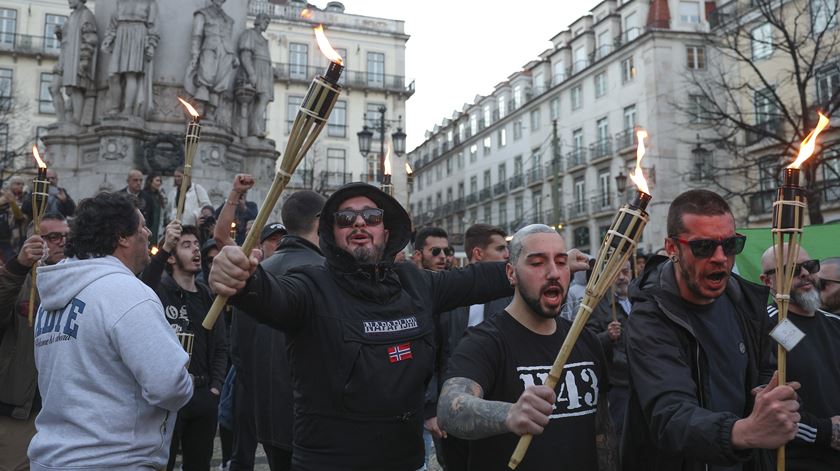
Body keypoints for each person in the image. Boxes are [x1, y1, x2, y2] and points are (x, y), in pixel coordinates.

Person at [208, 182, 514, 471]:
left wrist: (541, 265)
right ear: (331, 232)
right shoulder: (313, 285)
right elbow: (272, 295)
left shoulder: (415, 281)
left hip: (406, 461)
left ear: (386, 230)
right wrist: (243, 281)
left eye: (371, 216)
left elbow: (479, 280)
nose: (359, 223)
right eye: (345, 218)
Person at [623, 189, 800, 471]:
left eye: (730, 245)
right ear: (672, 248)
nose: (720, 258)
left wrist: (768, 399)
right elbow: (670, 416)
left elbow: (767, 365)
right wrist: (745, 431)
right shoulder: (650, 319)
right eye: (703, 247)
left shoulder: (746, 302)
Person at [28, 192, 193, 470]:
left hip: (52, 457)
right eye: (141, 225)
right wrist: (184, 377)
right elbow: (170, 386)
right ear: (122, 236)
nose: (149, 232)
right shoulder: (126, 292)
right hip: (114, 458)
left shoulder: (51, 299)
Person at [437, 224, 617, 471]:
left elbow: (601, 430)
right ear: (511, 273)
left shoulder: (585, 340)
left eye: (562, 262)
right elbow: (450, 409)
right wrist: (509, 415)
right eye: (537, 263)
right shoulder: (485, 342)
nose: (553, 272)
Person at [142, 223, 227, 471]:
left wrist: (215, 388)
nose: (196, 251)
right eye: (186, 245)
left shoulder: (207, 295)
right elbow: (144, 282)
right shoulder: (159, 291)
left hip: (202, 393)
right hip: (168, 397)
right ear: (171, 258)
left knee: (199, 463)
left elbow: (221, 345)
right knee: (162, 463)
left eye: (197, 245)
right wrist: (166, 246)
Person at [251, 190, 326, 471]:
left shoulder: (255, 276)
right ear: (321, 221)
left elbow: (241, 354)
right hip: (317, 423)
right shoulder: (327, 274)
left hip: (268, 418)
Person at [432, 223, 511, 470]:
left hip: (499, 412)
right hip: (453, 413)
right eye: (500, 249)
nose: (507, 255)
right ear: (478, 254)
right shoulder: (446, 296)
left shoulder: (512, 297)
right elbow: (435, 353)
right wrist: (431, 410)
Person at [759, 246, 840, 470]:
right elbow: (766, 408)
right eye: (792, 269)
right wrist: (824, 432)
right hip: (799, 461)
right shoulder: (763, 329)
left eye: (810, 266)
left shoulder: (835, 323)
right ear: (768, 281)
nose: (805, 273)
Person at [0, 213, 68, 470]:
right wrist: (18, 266)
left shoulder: (76, 282)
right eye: (53, 237)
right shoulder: (14, 279)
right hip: (16, 412)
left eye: (66, 237)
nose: (62, 242)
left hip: (57, 413)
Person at [585, 259, 631, 439]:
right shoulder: (598, 304)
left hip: (643, 376)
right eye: (616, 274)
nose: (621, 278)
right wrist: (607, 336)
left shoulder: (641, 299)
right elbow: (587, 342)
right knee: (620, 432)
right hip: (618, 381)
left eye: (625, 272)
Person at [101, 0, 159, 117]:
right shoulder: (120, 2)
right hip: (121, 34)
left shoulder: (149, 3)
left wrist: (151, 44)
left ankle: (128, 109)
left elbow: (153, 26)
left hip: (138, 35)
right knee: (113, 75)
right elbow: (113, 23)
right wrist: (108, 38)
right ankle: (115, 107)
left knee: (131, 74)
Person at [185, 0, 237, 121]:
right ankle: (199, 109)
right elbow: (196, 35)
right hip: (210, 48)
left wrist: (234, 56)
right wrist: (194, 54)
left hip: (226, 52)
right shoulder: (203, 14)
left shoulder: (228, 19)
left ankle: (211, 113)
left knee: (219, 84)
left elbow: (229, 38)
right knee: (205, 78)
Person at [54, 0, 97, 124]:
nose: (69, 0)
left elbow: (90, 38)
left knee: (76, 88)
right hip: (68, 57)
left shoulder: (85, 14)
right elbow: (68, 38)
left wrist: (85, 60)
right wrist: (60, 35)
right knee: (62, 88)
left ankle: (77, 118)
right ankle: (66, 119)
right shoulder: (73, 16)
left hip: (76, 57)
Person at [236, 13, 273, 138]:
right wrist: (251, 73)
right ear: (258, 21)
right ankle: (254, 129)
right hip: (256, 69)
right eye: (265, 20)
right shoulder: (250, 34)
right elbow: (245, 55)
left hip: (265, 71)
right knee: (260, 98)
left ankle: (255, 128)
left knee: (264, 98)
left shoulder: (263, 39)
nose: (266, 24)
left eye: (268, 22)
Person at [214, 174, 258, 246]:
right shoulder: (229, 205)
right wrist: (231, 199)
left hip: (244, 239)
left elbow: (255, 218)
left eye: (243, 193)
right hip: (229, 239)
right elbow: (217, 215)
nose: (241, 195)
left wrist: (244, 208)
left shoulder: (251, 205)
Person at [143, 173, 167, 246]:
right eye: (157, 180)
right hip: (148, 226)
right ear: (150, 181)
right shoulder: (144, 195)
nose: (159, 183)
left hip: (157, 227)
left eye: (160, 181)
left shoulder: (159, 196)